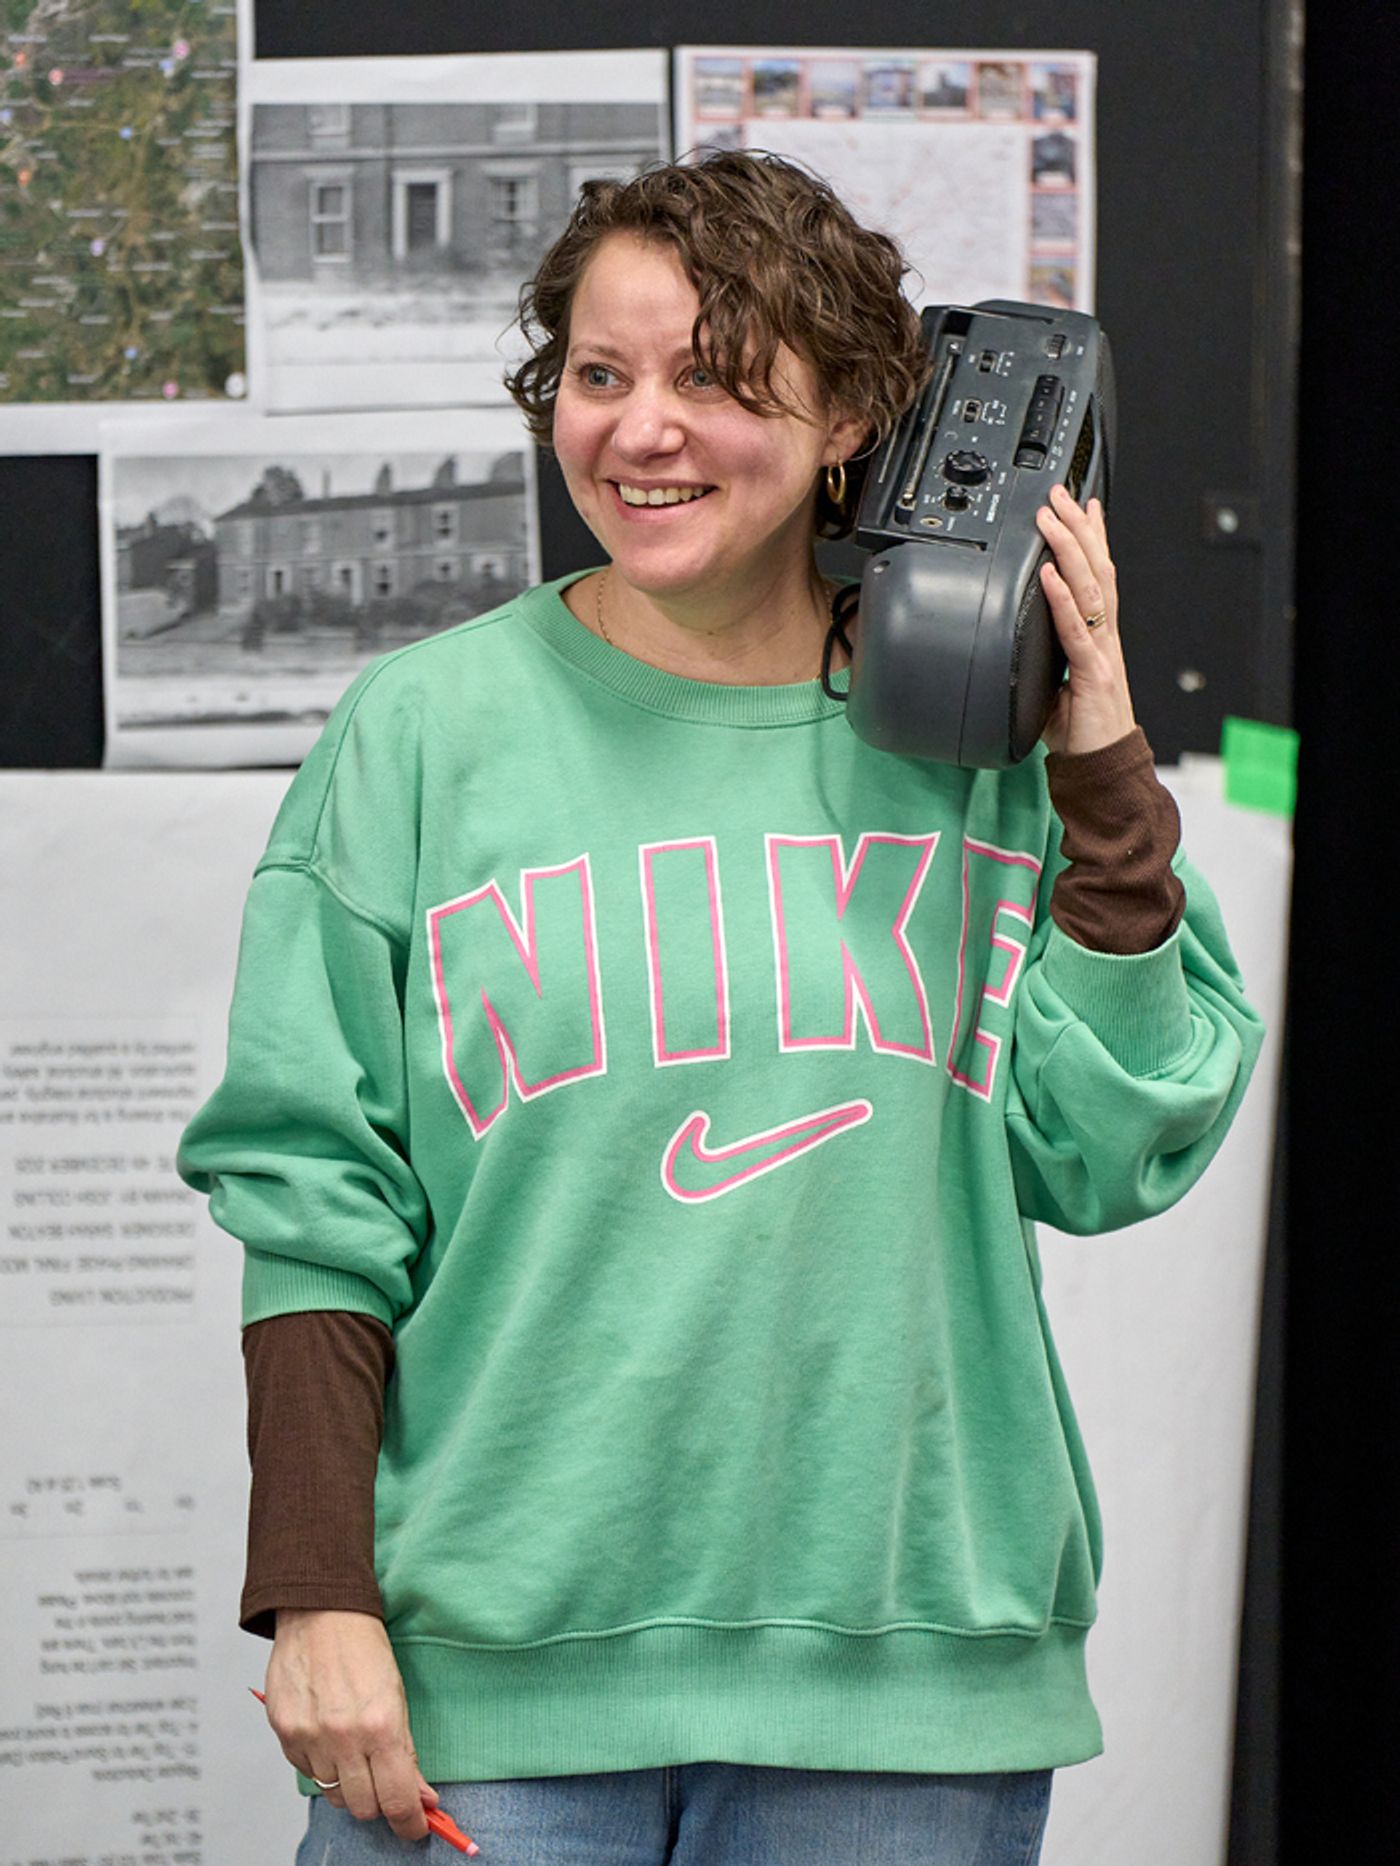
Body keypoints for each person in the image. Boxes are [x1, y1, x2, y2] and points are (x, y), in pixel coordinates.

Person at [178, 151, 1263, 1864]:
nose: (642, 430)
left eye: (716, 378)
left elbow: (1113, 1146)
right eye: (598, 374)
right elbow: (312, 1194)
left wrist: (1103, 759)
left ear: (853, 416)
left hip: (905, 1691)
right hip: (491, 1690)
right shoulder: (421, 734)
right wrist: (317, 1596)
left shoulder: (979, 749)